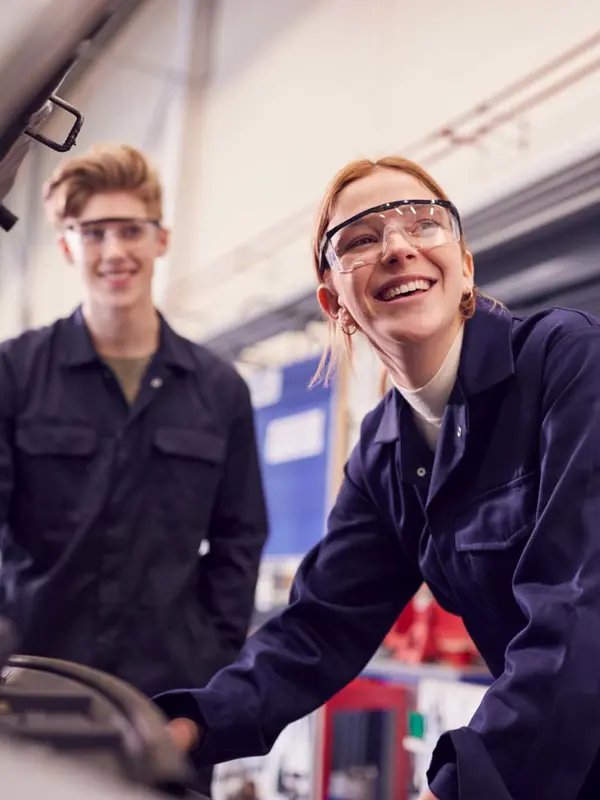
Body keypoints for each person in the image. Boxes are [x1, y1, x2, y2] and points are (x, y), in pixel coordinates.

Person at [154, 153, 600, 800]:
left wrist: (459, 787)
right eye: (360, 239)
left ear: (465, 264)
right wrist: (186, 726)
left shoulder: (568, 359)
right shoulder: (386, 451)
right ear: (334, 301)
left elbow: (582, 607)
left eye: (424, 223)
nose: (396, 247)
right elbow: (320, 626)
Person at [0, 143, 269, 797]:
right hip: (31, 691)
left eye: (130, 230)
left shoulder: (218, 389)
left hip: (168, 705)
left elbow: (239, 537)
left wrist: (211, 656)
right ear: (67, 245)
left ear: (160, 239)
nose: (113, 250)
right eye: (93, 232)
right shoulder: (14, 374)